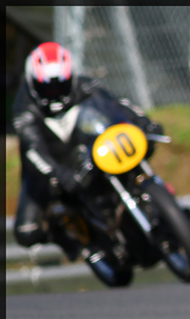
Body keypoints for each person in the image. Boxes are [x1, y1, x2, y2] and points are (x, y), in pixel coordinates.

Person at [12, 41, 163, 259]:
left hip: (88, 150)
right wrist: (58, 173)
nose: (54, 93)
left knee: (140, 149)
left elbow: (119, 104)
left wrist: (144, 123)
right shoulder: (23, 109)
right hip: (46, 168)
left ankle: (153, 197)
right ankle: (73, 240)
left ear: (71, 78)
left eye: (60, 85)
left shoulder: (85, 85)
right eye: (47, 87)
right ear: (32, 83)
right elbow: (33, 150)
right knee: (27, 233)